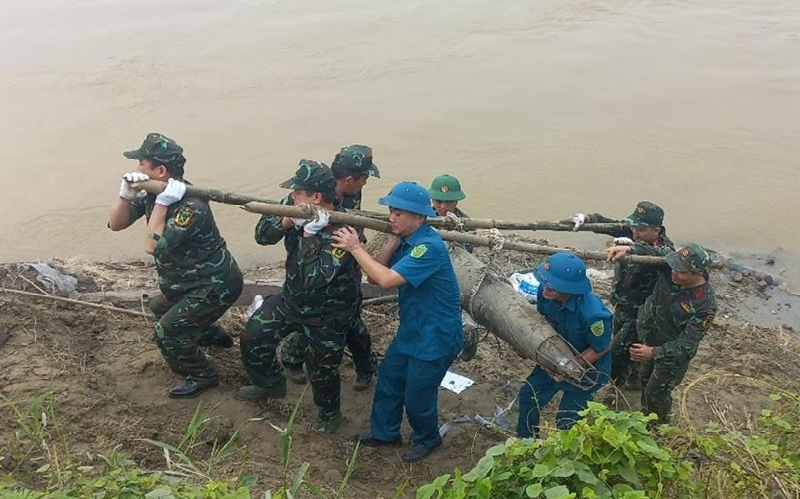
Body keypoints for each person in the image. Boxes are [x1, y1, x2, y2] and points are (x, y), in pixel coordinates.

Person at [332, 182, 463, 462]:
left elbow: (386, 279)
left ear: (419, 216)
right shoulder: (406, 241)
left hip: (435, 337)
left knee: (418, 396)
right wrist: (392, 241)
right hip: (412, 331)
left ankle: (428, 439)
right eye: (391, 211)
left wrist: (355, 248)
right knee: (389, 380)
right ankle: (385, 433)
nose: (392, 217)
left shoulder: (428, 247)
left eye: (399, 213)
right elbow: (374, 278)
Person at [108, 132, 243, 399]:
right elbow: (116, 224)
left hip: (213, 284)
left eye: (142, 165)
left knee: (166, 333)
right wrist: (125, 195)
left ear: (160, 170)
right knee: (159, 306)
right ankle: (211, 334)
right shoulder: (154, 192)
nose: (137, 170)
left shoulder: (190, 206)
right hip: (185, 282)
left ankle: (202, 374)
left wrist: (162, 203)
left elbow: (151, 246)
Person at [238, 160, 360, 433]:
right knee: (253, 335)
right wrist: (285, 221)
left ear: (316, 197)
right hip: (293, 299)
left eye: (297, 193)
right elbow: (261, 236)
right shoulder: (293, 206)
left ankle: (329, 415)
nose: (292, 196)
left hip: (327, 312)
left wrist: (308, 234)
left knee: (323, 371)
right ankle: (270, 384)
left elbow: (314, 277)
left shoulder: (346, 230)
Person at [281, 145, 379, 390]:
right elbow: (264, 234)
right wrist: (291, 221)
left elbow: (354, 227)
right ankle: (292, 358)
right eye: (364, 180)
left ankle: (366, 368)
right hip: (306, 272)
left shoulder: (351, 196)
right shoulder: (304, 193)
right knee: (310, 324)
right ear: (349, 179)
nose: (364, 185)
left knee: (353, 325)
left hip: (343, 279)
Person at [574, 202, 675, 388]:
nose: (635, 232)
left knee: (617, 350)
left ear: (656, 230)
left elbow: (663, 254)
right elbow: (612, 225)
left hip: (642, 312)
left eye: (641, 229)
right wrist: (588, 218)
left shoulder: (665, 248)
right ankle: (632, 376)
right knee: (622, 341)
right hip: (622, 303)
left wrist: (631, 248)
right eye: (634, 227)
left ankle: (615, 385)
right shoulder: (634, 231)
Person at [516, 252, 613, 439]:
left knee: (567, 421)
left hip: (588, 370)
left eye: (553, 286)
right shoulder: (546, 294)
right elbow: (546, 324)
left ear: (572, 289)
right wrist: (547, 359)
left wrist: (568, 367)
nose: (547, 289)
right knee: (529, 395)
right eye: (545, 282)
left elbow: (601, 348)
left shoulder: (593, 316)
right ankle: (526, 442)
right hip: (557, 357)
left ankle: (566, 458)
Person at [630, 243, 716, 424]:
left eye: (681, 271)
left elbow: (686, 345)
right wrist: (629, 249)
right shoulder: (670, 270)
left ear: (697, 273)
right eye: (674, 266)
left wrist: (653, 352)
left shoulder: (704, 304)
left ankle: (657, 428)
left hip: (670, 356)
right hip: (649, 339)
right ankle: (646, 416)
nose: (674, 272)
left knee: (657, 393)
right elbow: (656, 251)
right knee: (645, 380)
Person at [428, 173, 479, 361]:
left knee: (458, 312)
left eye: (447, 202)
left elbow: (467, 256)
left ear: (456, 202)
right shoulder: (424, 216)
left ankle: (467, 341)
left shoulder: (466, 223)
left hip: (454, 271)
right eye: (438, 201)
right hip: (430, 270)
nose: (442, 207)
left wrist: (458, 237)